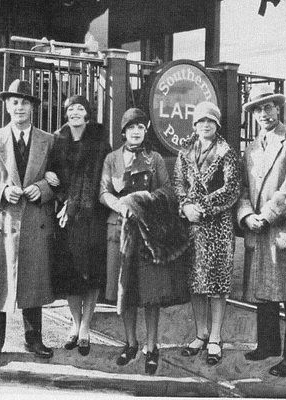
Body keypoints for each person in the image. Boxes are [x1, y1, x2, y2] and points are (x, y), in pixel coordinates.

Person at [99, 108, 189, 375]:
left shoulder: (155, 158)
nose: (136, 132)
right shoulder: (112, 159)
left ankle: (152, 347)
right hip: (120, 230)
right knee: (125, 291)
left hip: (149, 233)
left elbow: (167, 190)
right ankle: (130, 344)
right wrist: (120, 205)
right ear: (124, 132)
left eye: (140, 127)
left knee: (151, 294)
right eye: (131, 127)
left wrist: (140, 201)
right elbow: (103, 191)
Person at [0, 79, 56, 366]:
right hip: (2, 216)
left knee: (33, 279)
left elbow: (57, 177)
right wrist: (1, 190)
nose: (19, 107)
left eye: (24, 102)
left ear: (33, 107)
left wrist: (42, 189)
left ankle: (33, 339)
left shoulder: (48, 140)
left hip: (34, 218)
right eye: (14, 102)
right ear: (7, 106)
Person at [237, 85, 286, 377]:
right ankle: (267, 345)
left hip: (285, 229)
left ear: (278, 108)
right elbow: (243, 189)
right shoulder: (252, 149)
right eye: (258, 109)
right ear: (253, 115)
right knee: (264, 293)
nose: (264, 113)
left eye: (268, 107)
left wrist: (266, 216)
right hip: (259, 229)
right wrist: (247, 215)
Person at [173, 101, 241, 366]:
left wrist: (201, 206)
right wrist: (185, 206)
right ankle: (200, 333)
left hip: (217, 225)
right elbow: (178, 183)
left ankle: (215, 336)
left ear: (217, 124)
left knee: (217, 283)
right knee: (196, 282)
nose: (205, 125)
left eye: (210, 121)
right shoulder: (186, 151)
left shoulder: (226, 152)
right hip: (192, 226)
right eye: (201, 121)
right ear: (195, 125)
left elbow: (231, 188)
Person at [45, 95, 110, 356]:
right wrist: (52, 180)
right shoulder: (57, 141)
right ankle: (75, 322)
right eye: (70, 108)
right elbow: (50, 172)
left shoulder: (99, 142)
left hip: (92, 214)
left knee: (91, 273)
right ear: (65, 113)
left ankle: (85, 327)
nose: (75, 112)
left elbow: (102, 179)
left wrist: (78, 203)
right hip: (65, 215)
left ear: (87, 114)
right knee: (70, 272)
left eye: (80, 108)